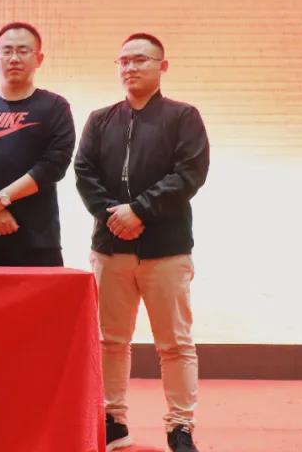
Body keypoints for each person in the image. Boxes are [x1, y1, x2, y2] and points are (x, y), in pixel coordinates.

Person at [74, 33, 210, 452]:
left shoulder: (183, 116)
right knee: (110, 341)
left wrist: (139, 211)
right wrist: (114, 215)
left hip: (166, 249)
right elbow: (84, 173)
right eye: (124, 61)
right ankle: (113, 420)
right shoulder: (100, 119)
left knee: (175, 343)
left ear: (162, 66)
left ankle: (180, 427)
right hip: (110, 248)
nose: (130, 68)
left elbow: (189, 175)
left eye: (140, 60)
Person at [0, 22, 75, 266]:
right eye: (7, 51)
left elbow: (54, 165)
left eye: (23, 51)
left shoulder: (55, 106)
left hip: (37, 235)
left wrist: (2, 198)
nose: (14, 58)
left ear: (39, 59)